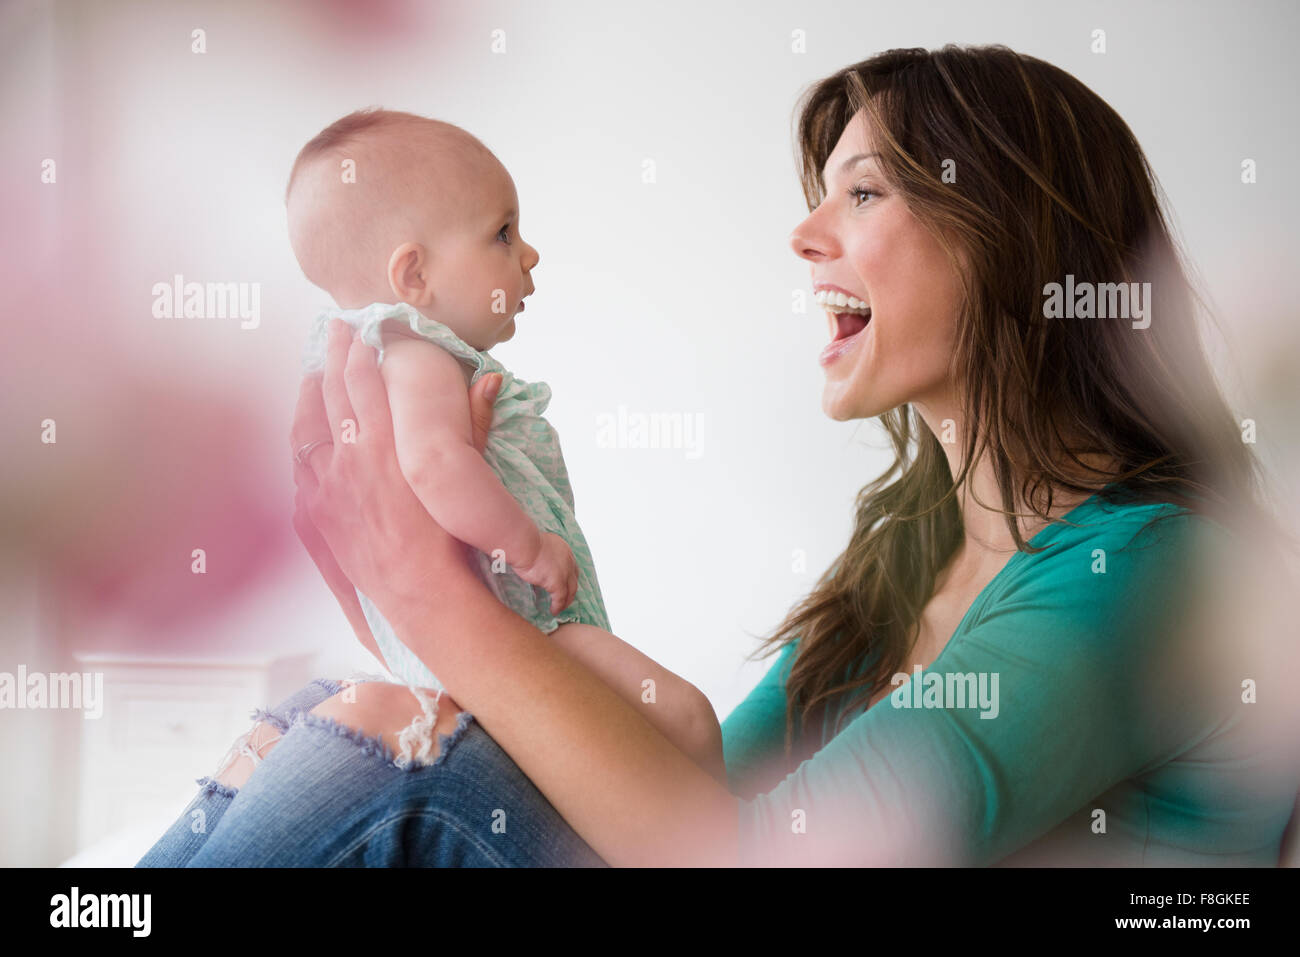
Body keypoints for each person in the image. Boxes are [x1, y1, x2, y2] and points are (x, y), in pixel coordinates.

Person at [137, 44, 1299, 868]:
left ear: (1009, 243)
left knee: (400, 764)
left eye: (862, 192)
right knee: (331, 711)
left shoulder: (1145, 571)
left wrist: (431, 599)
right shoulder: (906, 554)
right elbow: (699, 797)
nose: (803, 234)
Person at [281, 108, 722, 774]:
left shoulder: (378, 359)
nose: (529, 252)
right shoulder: (417, 351)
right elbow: (434, 464)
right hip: (517, 630)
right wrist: (529, 545)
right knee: (686, 721)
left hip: (465, 639)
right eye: (503, 231)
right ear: (414, 278)